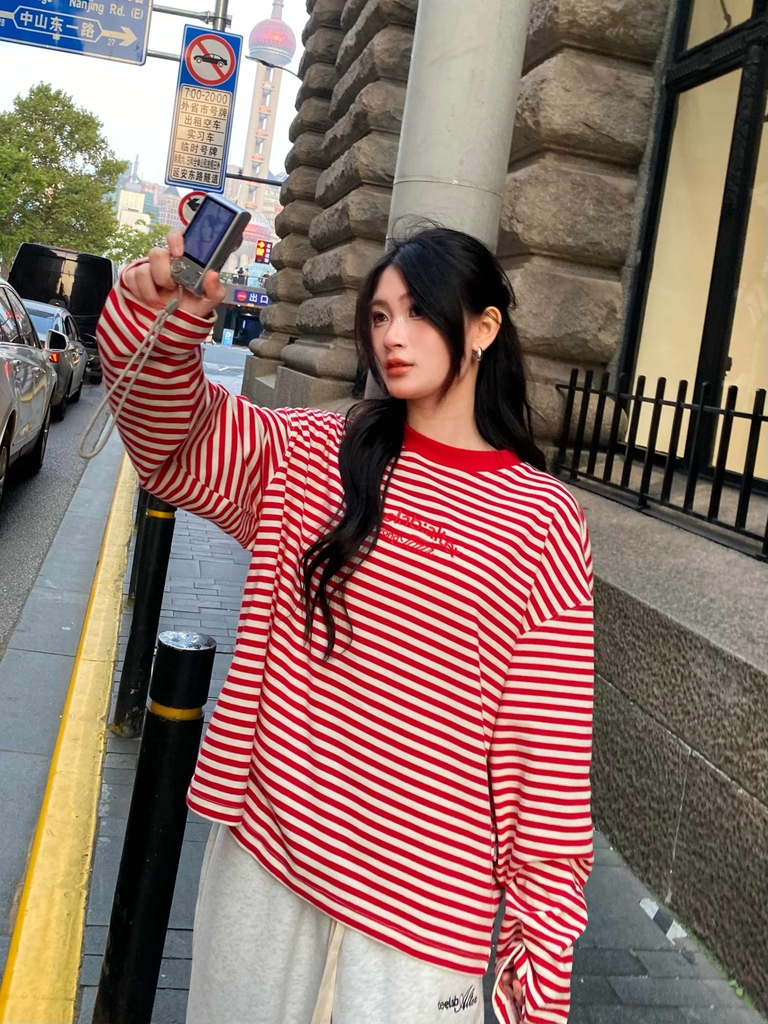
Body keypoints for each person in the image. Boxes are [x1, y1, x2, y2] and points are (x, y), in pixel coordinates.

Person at [97, 226, 594, 1024]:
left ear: (483, 327)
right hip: (265, 877)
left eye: (419, 312)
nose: (393, 335)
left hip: (420, 931)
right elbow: (176, 442)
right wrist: (159, 320)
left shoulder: (542, 521)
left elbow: (546, 761)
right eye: (380, 315)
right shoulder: (315, 454)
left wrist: (536, 980)